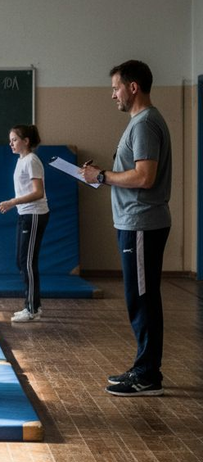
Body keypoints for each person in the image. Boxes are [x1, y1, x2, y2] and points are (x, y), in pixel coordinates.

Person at [81, 60, 171, 397]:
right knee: (140, 299)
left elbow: (145, 177)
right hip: (135, 224)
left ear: (133, 88)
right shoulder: (139, 122)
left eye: (116, 87)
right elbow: (133, 172)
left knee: (142, 300)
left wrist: (102, 177)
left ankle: (148, 375)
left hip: (142, 225)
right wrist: (100, 174)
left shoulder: (145, 124)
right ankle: (144, 367)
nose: (113, 95)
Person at [0, 125, 50, 323]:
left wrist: (12, 202)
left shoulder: (32, 160)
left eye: (14, 140)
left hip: (34, 214)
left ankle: (33, 309)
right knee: (21, 261)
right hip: (25, 214)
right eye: (10, 140)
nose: (11, 143)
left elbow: (39, 192)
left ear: (26, 141)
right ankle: (30, 304)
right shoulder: (22, 161)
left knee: (27, 262)